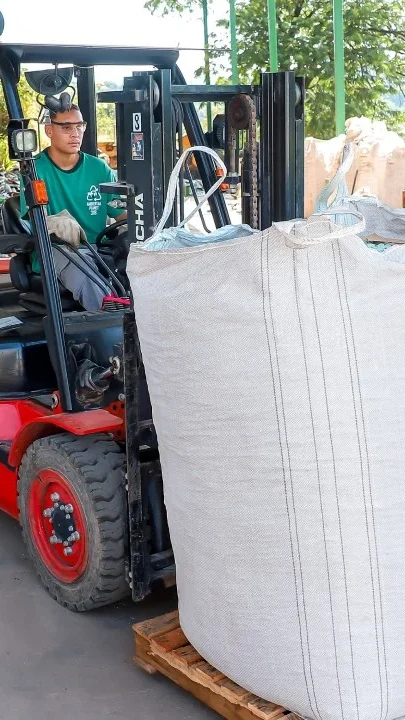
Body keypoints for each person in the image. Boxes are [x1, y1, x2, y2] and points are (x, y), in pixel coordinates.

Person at [20, 103, 127, 311]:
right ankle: (112, 322)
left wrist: (141, 225)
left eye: (79, 126)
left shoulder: (99, 169)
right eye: (66, 127)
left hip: (98, 247)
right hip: (58, 249)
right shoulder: (34, 170)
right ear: (49, 130)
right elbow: (36, 220)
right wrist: (53, 222)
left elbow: (122, 214)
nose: (75, 134)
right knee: (87, 272)